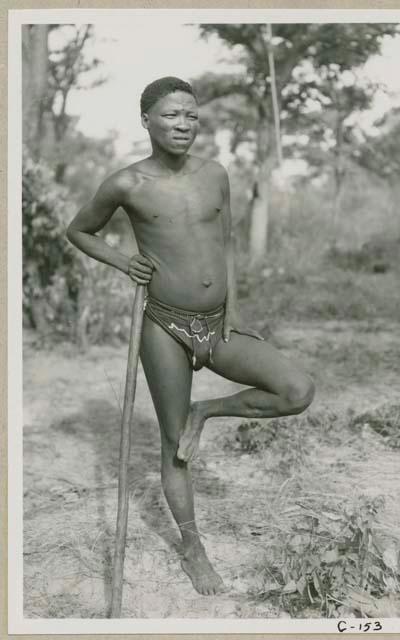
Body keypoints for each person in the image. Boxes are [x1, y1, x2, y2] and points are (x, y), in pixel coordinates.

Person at [66, 76, 315, 596]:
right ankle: (193, 549)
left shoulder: (215, 174)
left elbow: (225, 243)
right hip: (164, 324)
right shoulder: (126, 184)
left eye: (192, 116)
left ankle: (207, 411)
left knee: (296, 390)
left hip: (218, 322)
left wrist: (234, 308)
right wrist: (121, 260)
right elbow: (78, 230)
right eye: (172, 115)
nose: (184, 125)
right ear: (146, 121)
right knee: (174, 443)